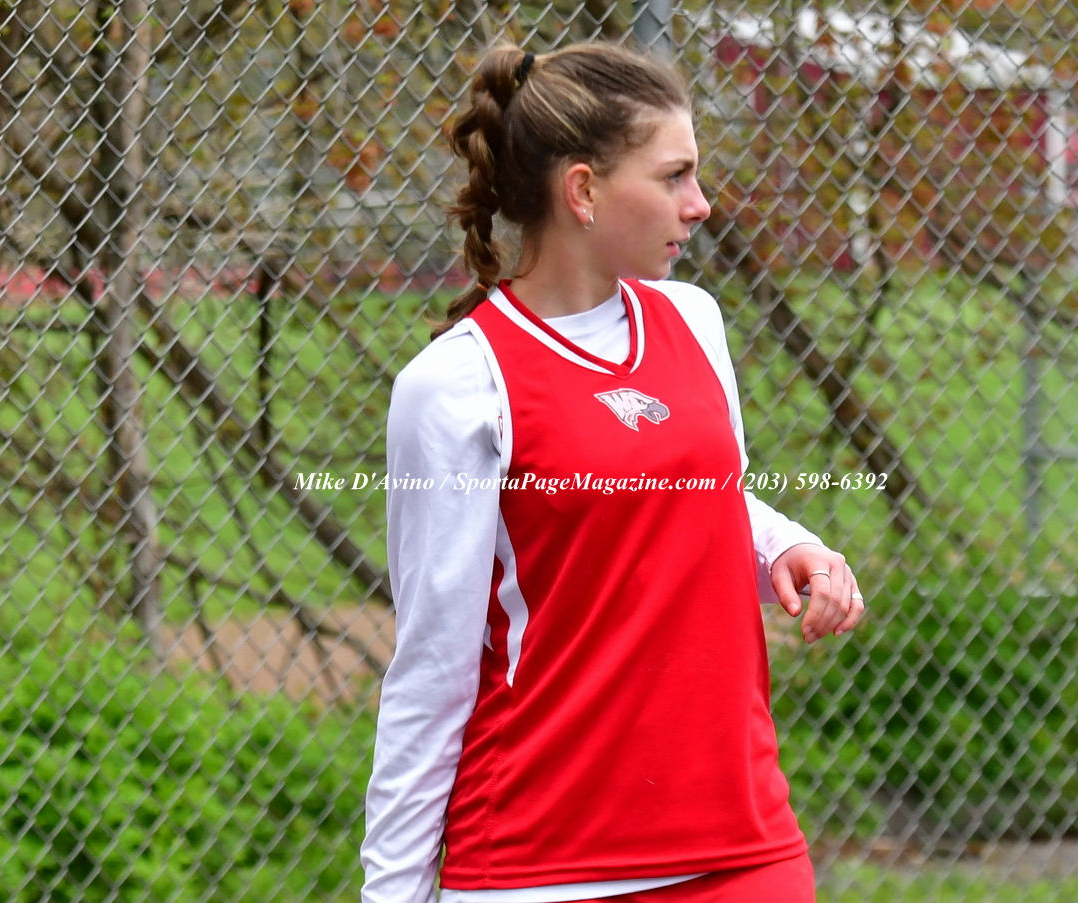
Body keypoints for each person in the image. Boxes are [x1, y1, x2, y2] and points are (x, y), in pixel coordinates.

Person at [360, 42, 865, 903]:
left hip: (746, 850)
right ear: (584, 191)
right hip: (539, 865)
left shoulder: (693, 319)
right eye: (674, 176)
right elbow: (432, 673)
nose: (700, 204)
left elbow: (701, 498)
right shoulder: (456, 385)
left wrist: (784, 543)